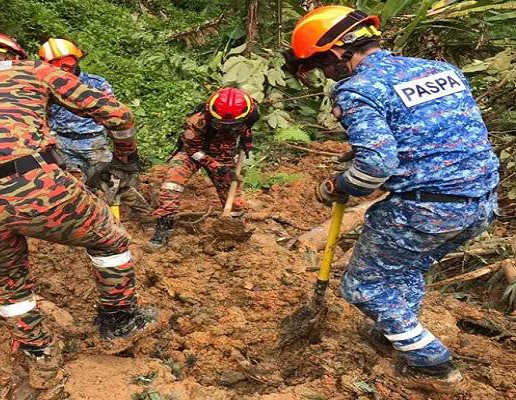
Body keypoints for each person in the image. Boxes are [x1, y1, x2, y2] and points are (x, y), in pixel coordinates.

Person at [0, 31, 158, 396]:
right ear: (12, 54)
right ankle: (118, 320)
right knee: (110, 240)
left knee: (6, 283)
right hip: (34, 184)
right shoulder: (31, 70)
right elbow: (117, 114)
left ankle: (40, 352)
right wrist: (127, 159)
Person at [285, 5, 499, 393]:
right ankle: (398, 328)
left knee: (363, 287)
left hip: (426, 208)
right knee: (406, 267)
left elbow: (377, 166)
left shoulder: (358, 89)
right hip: (479, 203)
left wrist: (340, 185)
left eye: (319, 64)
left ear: (337, 52)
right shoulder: (439, 70)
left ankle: (431, 364)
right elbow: (430, 130)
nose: (324, 73)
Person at [38, 38, 151, 219]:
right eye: (58, 67)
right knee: (71, 188)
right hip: (62, 142)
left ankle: (144, 216)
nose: (64, 71)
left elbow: (113, 114)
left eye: (68, 65)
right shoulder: (43, 88)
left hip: (93, 141)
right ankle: (83, 223)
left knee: (113, 183)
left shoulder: (96, 84)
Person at [147, 87, 258, 250]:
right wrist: (216, 166)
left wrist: (246, 141)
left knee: (232, 193)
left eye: (232, 125)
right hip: (195, 152)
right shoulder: (197, 122)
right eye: (220, 124)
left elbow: (247, 129)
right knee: (172, 183)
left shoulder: (251, 113)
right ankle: (164, 227)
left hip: (223, 154)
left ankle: (234, 227)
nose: (226, 128)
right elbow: (192, 150)